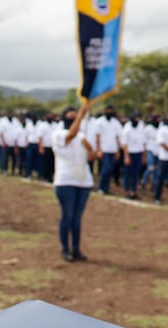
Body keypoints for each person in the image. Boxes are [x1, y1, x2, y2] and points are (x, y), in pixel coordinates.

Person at [52, 103, 95, 262]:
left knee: (77, 218)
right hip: (66, 180)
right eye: (71, 115)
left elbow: (91, 155)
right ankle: (65, 248)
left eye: (75, 114)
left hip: (83, 181)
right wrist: (81, 114)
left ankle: (76, 248)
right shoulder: (58, 134)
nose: (74, 117)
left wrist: (90, 150)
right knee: (68, 215)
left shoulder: (81, 136)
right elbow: (71, 135)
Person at [121, 111, 146, 199]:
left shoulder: (141, 126)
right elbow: (124, 144)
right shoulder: (127, 128)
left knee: (136, 173)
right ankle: (127, 190)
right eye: (136, 118)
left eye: (139, 118)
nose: (138, 120)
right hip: (130, 153)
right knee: (128, 173)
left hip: (139, 152)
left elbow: (143, 142)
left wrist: (143, 156)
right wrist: (126, 156)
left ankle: (134, 191)